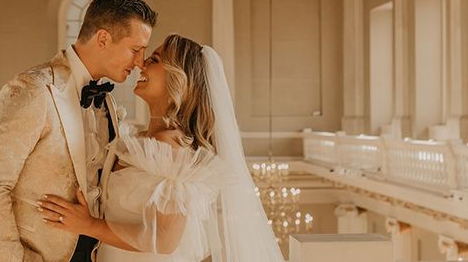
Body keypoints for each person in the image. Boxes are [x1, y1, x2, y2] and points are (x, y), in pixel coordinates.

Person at [37, 34, 285, 262]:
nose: (141, 64)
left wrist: (88, 225)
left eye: (154, 59)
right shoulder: (139, 140)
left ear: (178, 78)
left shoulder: (172, 149)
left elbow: (166, 239)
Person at [0, 0, 157, 262]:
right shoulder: (34, 89)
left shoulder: (109, 105)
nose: (140, 61)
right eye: (136, 49)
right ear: (103, 38)